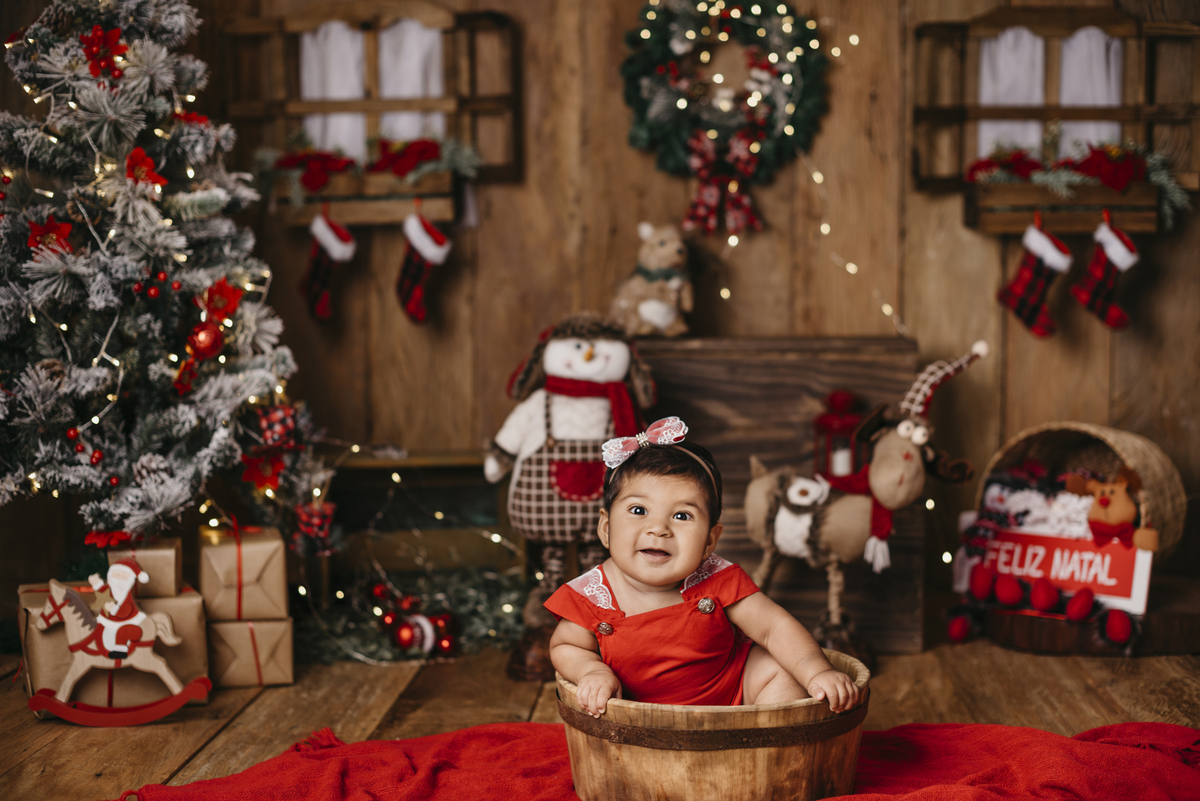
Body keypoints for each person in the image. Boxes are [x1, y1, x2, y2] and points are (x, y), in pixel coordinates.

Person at [545, 417, 862, 718]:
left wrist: (816, 670)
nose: (659, 529)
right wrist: (591, 670)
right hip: (638, 722)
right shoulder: (591, 596)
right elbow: (565, 645)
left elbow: (775, 627)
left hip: (735, 703)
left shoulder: (717, 579)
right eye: (638, 510)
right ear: (606, 528)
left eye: (682, 516)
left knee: (781, 671)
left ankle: (758, 758)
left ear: (711, 539)